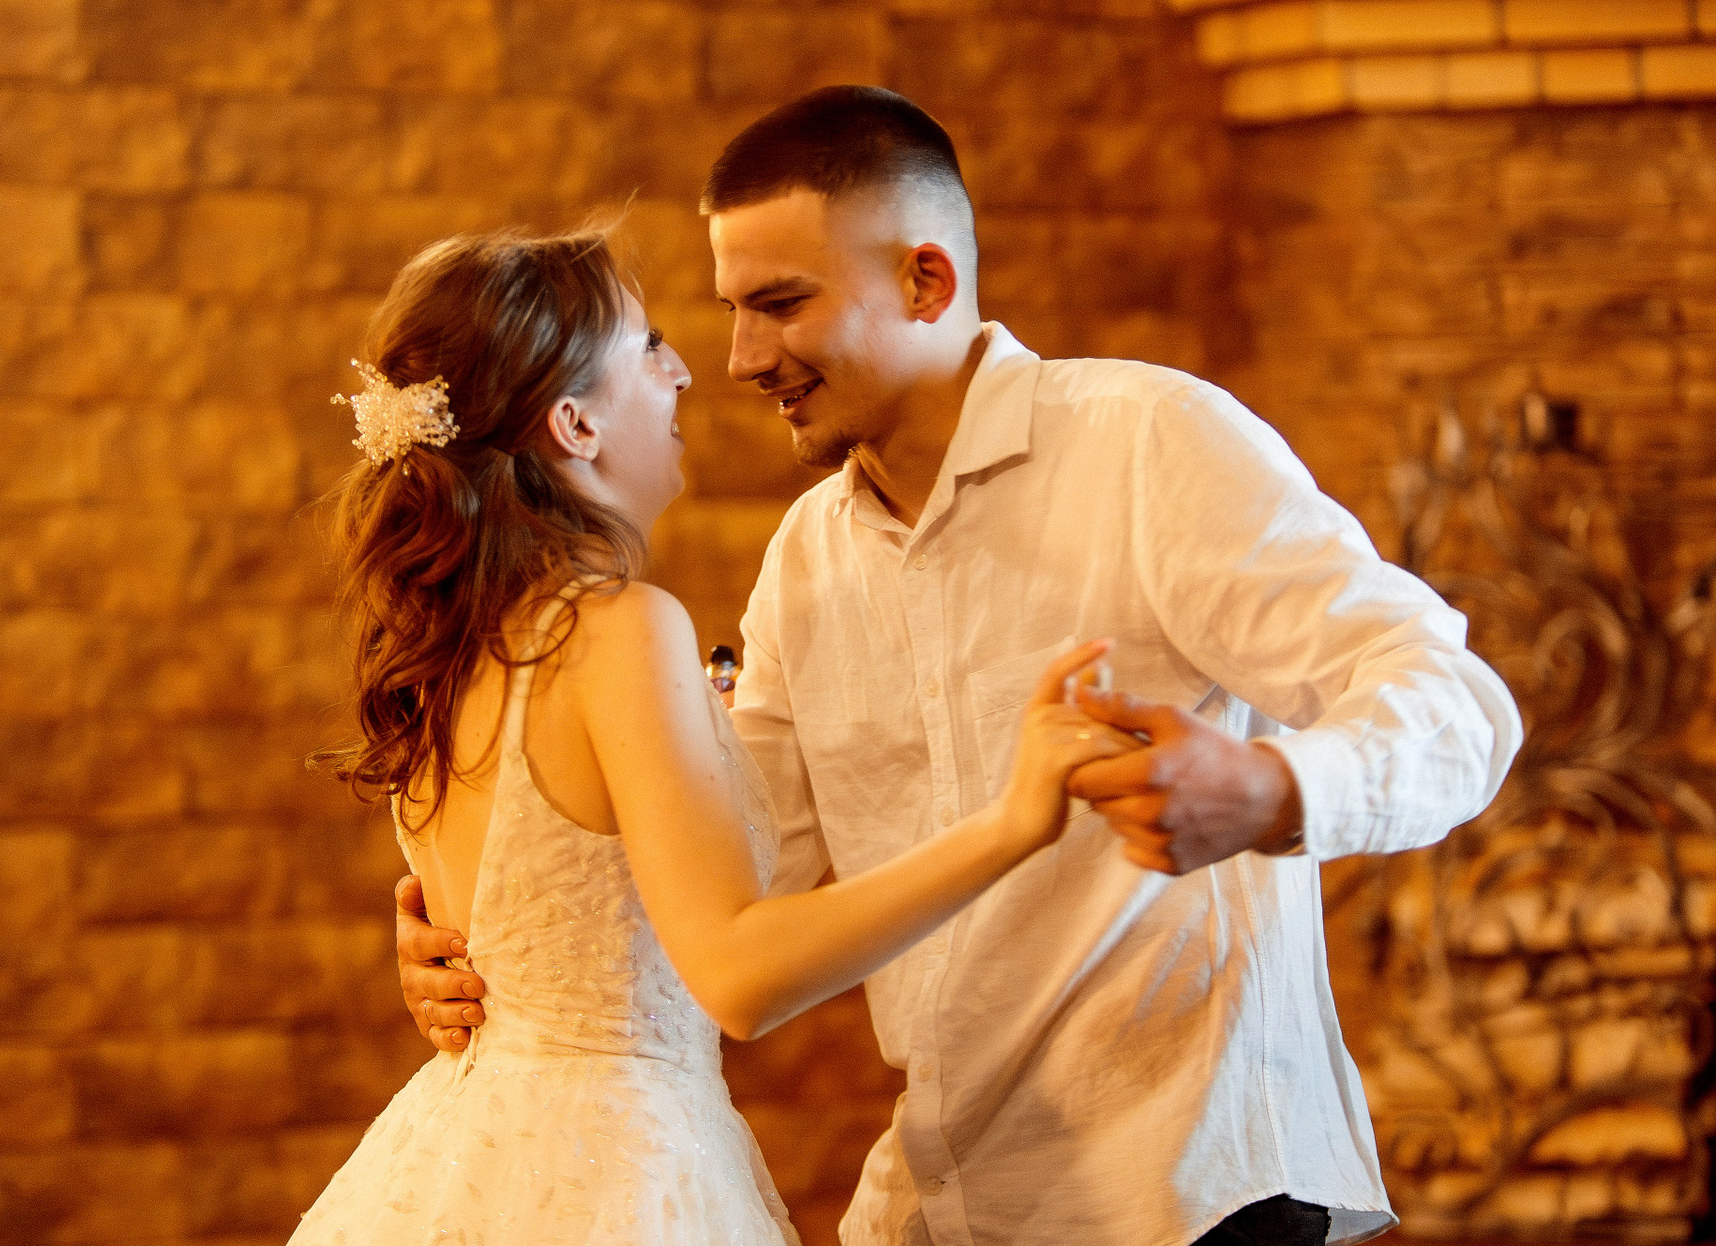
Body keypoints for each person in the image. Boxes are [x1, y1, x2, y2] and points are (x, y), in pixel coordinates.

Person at [396, 88, 1524, 1246]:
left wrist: (1271, 789)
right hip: (941, 1203)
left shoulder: (1150, 443)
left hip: (1190, 1191)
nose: (739, 358)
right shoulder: (805, 561)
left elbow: (1458, 704)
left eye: (781, 304)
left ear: (926, 282)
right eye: (732, 310)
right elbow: (732, 890)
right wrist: (480, 937)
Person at [289, 227, 1136, 1245]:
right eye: (648, 345)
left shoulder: (444, 654)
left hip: (459, 1156)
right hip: (609, 1171)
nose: (686, 369)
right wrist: (1015, 820)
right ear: (574, 424)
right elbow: (735, 971)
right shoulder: (617, 629)